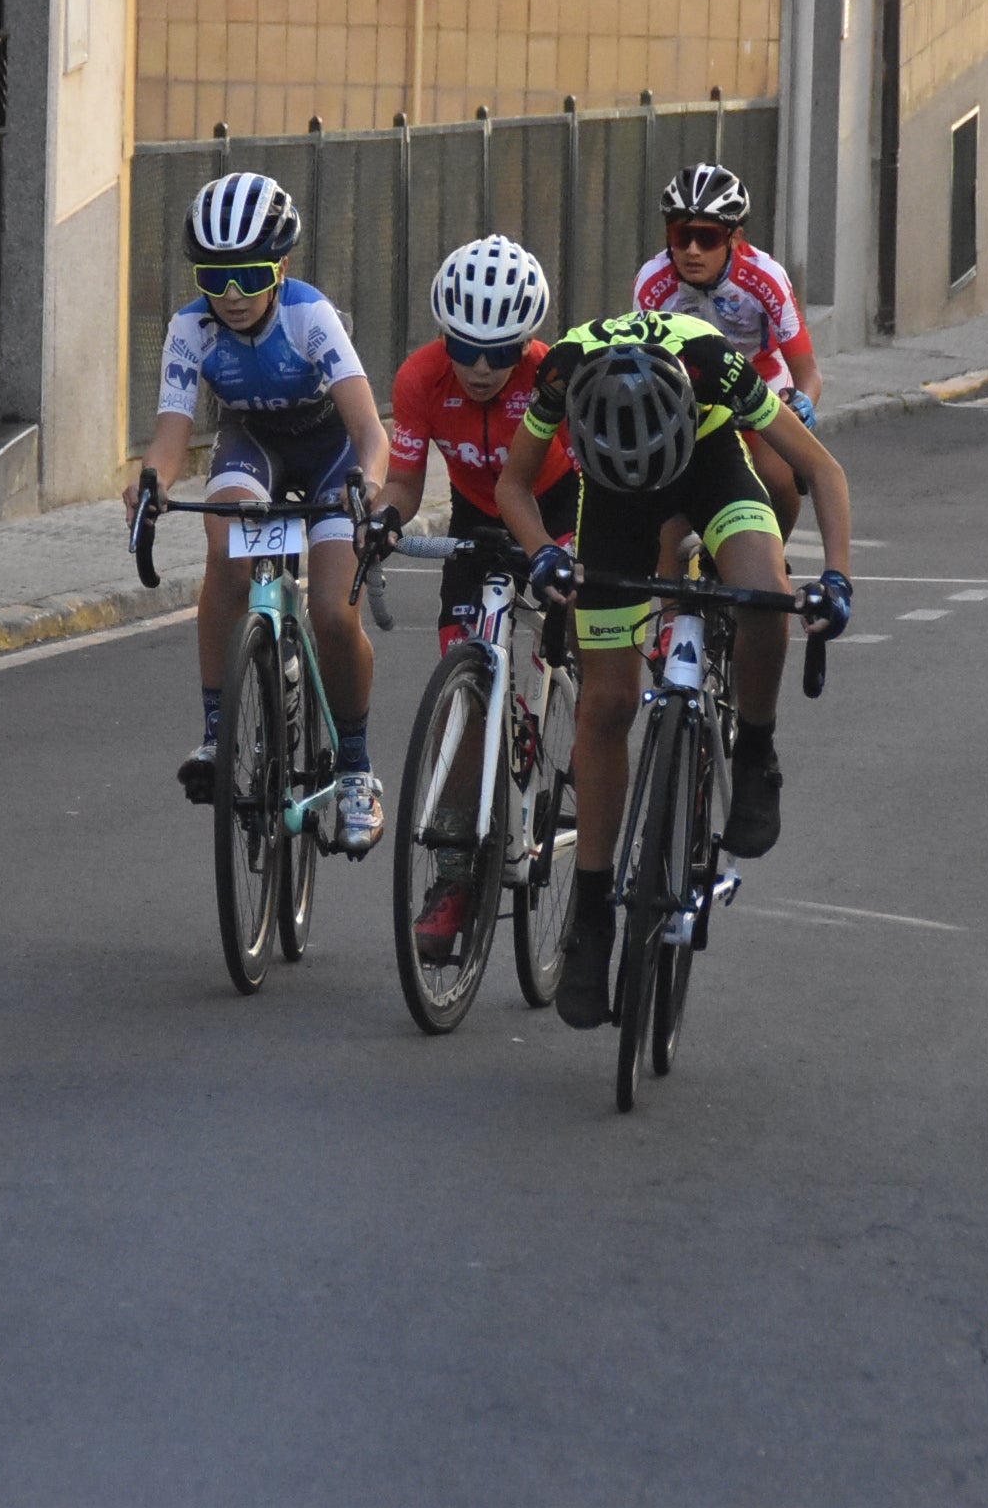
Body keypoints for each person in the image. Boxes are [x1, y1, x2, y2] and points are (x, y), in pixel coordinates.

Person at [492, 311, 854, 1031]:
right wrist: (542, 551)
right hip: (616, 504)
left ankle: (755, 749)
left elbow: (820, 468)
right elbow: (514, 486)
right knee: (607, 705)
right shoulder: (561, 374)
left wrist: (839, 577)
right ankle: (591, 916)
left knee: (766, 591)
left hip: (710, 464)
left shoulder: (716, 363)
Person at [129, 172, 392, 855]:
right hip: (253, 446)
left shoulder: (310, 316)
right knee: (228, 553)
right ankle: (220, 734)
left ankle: (358, 769)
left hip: (330, 454)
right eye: (216, 280)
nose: (235, 296)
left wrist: (367, 485)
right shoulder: (190, 328)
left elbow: (370, 431)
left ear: (280, 267)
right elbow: (169, 432)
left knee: (335, 613)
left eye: (248, 275)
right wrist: (151, 481)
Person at [363, 235, 579, 958]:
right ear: (443, 335)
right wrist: (385, 521)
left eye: (501, 352)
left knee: (584, 642)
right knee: (465, 695)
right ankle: (455, 877)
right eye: (467, 347)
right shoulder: (420, 379)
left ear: (526, 344)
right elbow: (402, 482)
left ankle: (576, 743)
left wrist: (572, 558)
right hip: (475, 520)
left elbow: (597, 474)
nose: (483, 367)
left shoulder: (553, 375)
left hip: (559, 510)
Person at [630, 162, 823, 533]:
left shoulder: (765, 276)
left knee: (776, 480)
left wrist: (802, 404)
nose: (691, 250)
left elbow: (808, 372)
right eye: (679, 234)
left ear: (735, 237)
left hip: (758, 379)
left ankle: (769, 562)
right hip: (690, 390)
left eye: (708, 237)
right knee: (666, 516)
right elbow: (646, 370)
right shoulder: (652, 282)